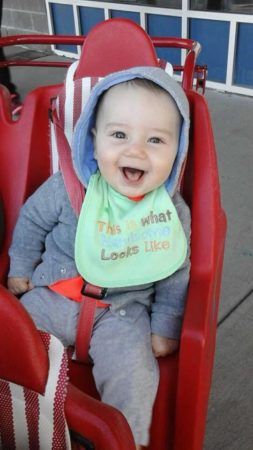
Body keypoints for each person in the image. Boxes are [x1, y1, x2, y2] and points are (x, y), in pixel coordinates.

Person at [7, 65, 191, 449]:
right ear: (93, 140)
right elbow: (30, 222)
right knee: (12, 343)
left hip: (122, 315)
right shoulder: (69, 187)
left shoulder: (170, 213)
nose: (135, 150)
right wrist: (21, 268)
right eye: (119, 134)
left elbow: (176, 272)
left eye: (156, 140)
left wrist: (165, 325)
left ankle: (126, 440)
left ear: (178, 149)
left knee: (137, 377)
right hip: (52, 296)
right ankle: (15, 417)